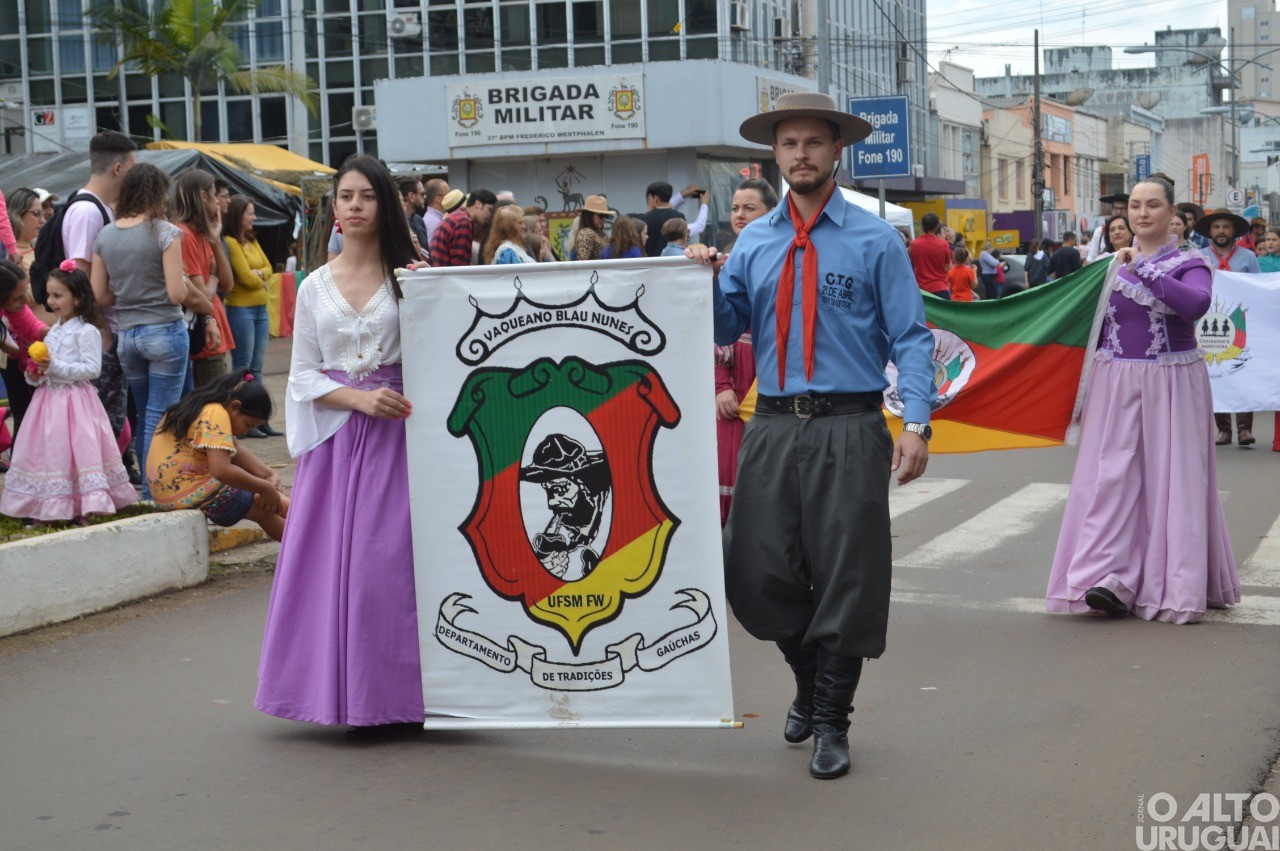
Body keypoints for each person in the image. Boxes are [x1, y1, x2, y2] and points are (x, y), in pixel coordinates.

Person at [689, 91, 935, 780]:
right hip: (771, 424)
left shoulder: (876, 240)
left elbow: (912, 339)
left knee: (848, 574)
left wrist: (915, 422)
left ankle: (832, 720)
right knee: (752, 567)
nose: (801, 154)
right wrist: (698, 278)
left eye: (813, 143)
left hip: (853, 424)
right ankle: (807, 674)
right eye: (789, 144)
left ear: (835, 152)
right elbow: (718, 328)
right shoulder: (753, 243)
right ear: (775, 155)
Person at [255, 154, 422, 732]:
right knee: (326, 569)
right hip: (333, 443)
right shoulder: (313, 287)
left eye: (367, 196)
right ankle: (333, 697)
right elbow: (302, 375)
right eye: (346, 196)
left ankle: (397, 699)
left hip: (400, 443)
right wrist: (358, 399)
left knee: (388, 568)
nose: (354, 206)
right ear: (335, 207)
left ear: (386, 204)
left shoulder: (415, 278)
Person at [1046, 175, 1238, 623]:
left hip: (1171, 382)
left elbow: (1194, 305)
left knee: (1170, 482)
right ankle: (1106, 577)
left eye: (1153, 205)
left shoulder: (1193, 261)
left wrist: (1145, 269)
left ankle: (1168, 582)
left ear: (1173, 215)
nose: (1142, 213)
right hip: (1113, 382)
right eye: (1134, 205)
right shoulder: (1107, 264)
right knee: (1109, 480)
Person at [91, 163, 208, 501]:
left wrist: (129, 293)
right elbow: (176, 293)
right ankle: (155, 492)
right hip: (164, 332)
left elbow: (99, 296)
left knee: (145, 414)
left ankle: (147, 489)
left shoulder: (105, 235)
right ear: (158, 193)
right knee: (162, 417)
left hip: (127, 335)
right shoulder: (166, 232)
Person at [0, 261, 136, 523]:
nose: (50, 301)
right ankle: (48, 505)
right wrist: (34, 373)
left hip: (75, 403)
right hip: (47, 403)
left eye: (58, 295)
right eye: (49, 295)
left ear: (78, 298)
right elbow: (43, 369)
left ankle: (82, 504)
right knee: (50, 451)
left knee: (76, 450)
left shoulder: (87, 332)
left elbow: (92, 369)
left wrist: (54, 366)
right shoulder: (54, 332)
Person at [64, 131, 137, 478]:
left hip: (106, 333)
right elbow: (79, 281)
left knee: (114, 417)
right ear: (119, 168)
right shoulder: (86, 212)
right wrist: (103, 333)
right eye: (133, 169)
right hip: (99, 337)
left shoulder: (101, 209)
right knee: (103, 418)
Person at [147, 372, 287, 540]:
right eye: (248, 425)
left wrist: (268, 474)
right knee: (264, 507)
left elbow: (236, 450)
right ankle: (310, 549)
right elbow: (221, 470)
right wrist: (264, 488)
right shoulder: (216, 413)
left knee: (265, 497)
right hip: (189, 491)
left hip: (167, 495)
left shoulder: (204, 406)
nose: (245, 432)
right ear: (235, 406)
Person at [714, 178, 779, 526]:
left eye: (749, 208)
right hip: (735, 383)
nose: (740, 215)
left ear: (771, 213)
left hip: (771, 378)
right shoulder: (718, 261)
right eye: (736, 208)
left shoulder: (785, 257)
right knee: (732, 471)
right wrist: (720, 384)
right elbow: (710, 331)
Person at [1193, 208, 1261, 446]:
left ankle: (1244, 429)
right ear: (1210, 231)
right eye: (1216, 227)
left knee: (1243, 372)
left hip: (1241, 323)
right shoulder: (1198, 256)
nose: (1221, 231)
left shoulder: (1248, 257)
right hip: (1208, 325)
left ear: (1234, 231)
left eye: (1226, 227)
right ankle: (1223, 429)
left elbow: (1258, 289)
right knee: (1216, 373)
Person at [223, 196, 282, 438]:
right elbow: (246, 278)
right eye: (250, 213)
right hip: (241, 309)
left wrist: (258, 274)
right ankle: (242, 419)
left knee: (257, 368)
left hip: (259, 309)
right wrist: (259, 275)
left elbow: (269, 268)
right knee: (243, 367)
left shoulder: (250, 240)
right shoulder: (230, 242)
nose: (254, 217)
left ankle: (258, 419)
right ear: (239, 215)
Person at [171, 170, 234, 390]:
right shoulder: (184, 234)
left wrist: (216, 240)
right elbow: (202, 295)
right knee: (214, 403)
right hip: (203, 334)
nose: (218, 201)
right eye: (215, 194)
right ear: (203, 196)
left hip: (213, 328)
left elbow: (228, 285)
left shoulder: (201, 234)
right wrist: (214, 275)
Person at [0, 261, 49, 439]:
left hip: (13, 361)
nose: (26, 301)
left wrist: (57, 334)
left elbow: (32, 328)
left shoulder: (15, 309)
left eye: (25, 292)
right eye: (17, 298)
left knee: (23, 413)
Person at [428, 189, 496, 267]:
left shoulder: (458, 217)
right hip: (447, 276)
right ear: (478, 204)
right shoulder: (464, 221)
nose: (490, 215)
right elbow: (460, 263)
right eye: (489, 210)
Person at [907, 212, 952, 299]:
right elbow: (948, 267)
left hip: (921, 290)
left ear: (922, 226)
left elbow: (909, 263)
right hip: (940, 288)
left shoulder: (914, 244)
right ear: (936, 227)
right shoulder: (944, 244)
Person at [637, 181, 686, 257]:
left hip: (649, 263)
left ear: (656, 198)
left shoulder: (644, 218)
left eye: (650, 197)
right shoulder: (679, 217)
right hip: (672, 261)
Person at [7, 187, 43, 273]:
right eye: (37, 213)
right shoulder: (9, 257)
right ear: (17, 214)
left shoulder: (39, 247)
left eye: (42, 214)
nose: (42, 220)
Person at [1085, 193, 1129, 262]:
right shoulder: (1100, 232)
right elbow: (1091, 259)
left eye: (1123, 209)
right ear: (1112, 210)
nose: (1119, 212)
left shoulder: (1136, 230)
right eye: (1116, 208)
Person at [397, 175, 430, 261]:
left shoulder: (419, 220)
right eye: (422, 194)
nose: (425, 197)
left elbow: (428, 256)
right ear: (411, 196)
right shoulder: (394, 225)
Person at [572, 195, 614, 261]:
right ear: (589, 215)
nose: (603, 219)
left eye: (605, 216)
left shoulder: (598, 233)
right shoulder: (586, 233)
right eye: (601, 216)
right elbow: (583, 262)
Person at [422, 178, 450, 247]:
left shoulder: (436, 219)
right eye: (448, 193)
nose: (451, 196)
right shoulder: (433, 223)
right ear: (438, 199)